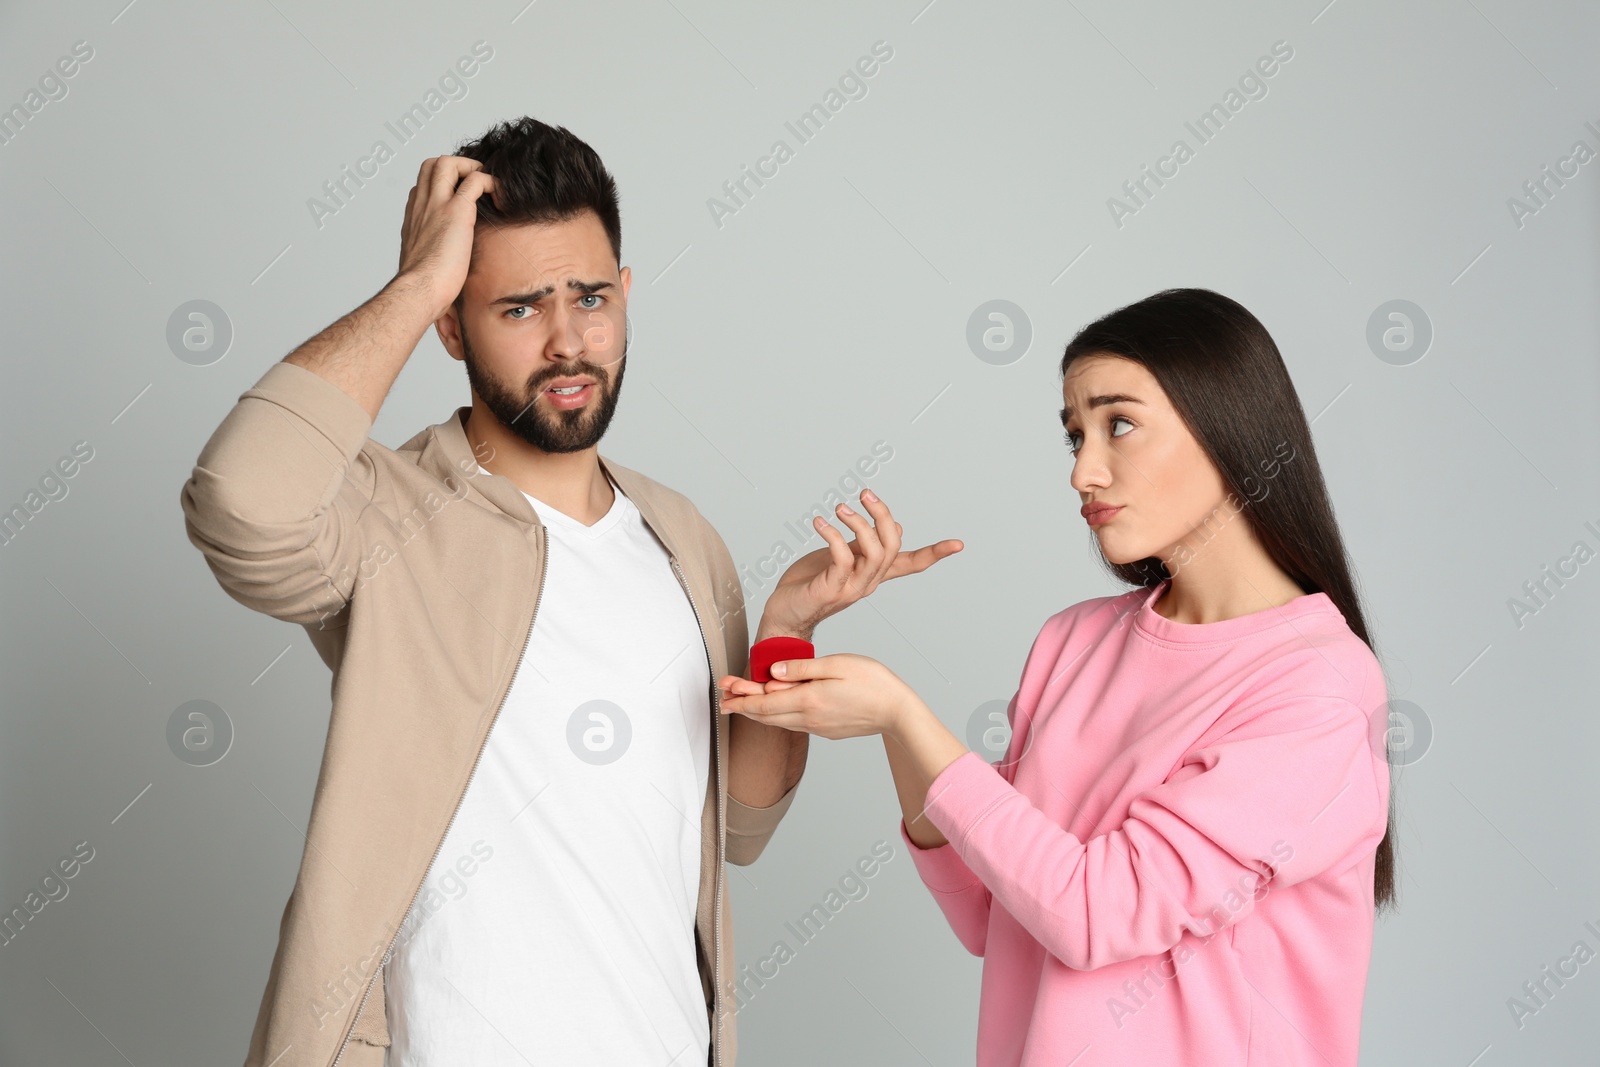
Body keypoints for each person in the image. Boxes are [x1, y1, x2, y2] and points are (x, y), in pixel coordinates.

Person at [179, 117, 961, 1067]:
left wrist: (784, 632)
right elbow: (240, 503)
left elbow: (743, 823)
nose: (565, 342)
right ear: (450, 324)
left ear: (626, 296)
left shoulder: (682, 539)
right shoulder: (385, 510)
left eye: (590, 298)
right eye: (516, 309)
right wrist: (417, 279)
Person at [720, 288, 1399, 1067]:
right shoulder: (1074, 642)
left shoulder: (1316, 689)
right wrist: (796, 631)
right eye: (1075, 434)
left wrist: (902, 715)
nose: (1084, 470)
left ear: (1228, 425)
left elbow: (1092, 913)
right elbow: (989, 909)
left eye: (1120, 424)